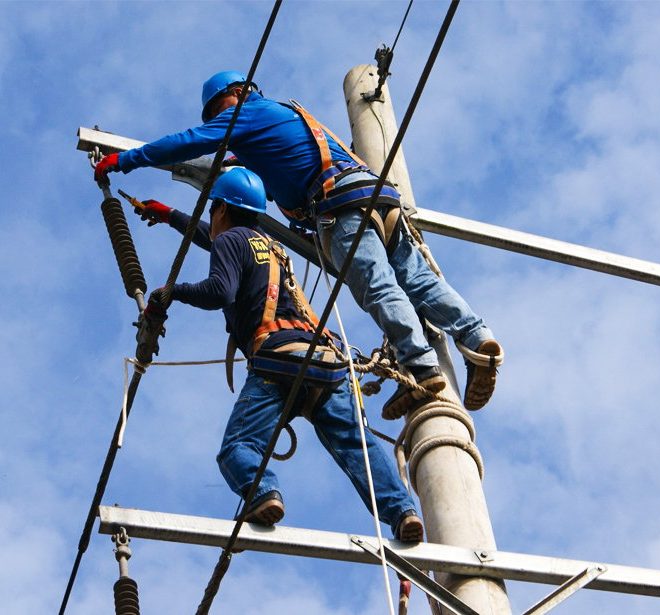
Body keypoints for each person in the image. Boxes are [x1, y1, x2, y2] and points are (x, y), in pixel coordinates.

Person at [95, 70, 503, 418]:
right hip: (379, 200)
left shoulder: (245, 113)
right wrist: (170, 214)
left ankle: (421, 368)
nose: (220, 124)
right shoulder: (285, 121)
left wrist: (126, 160)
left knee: (379, 288)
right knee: (419, 281)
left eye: (217, 111)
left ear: (235, 95)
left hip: (341, 209)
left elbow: (189, 141)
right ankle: (478, 339)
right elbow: (237, 217)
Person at [138, 167, 423, 541]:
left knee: (238, 449)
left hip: (277, 359)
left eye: (213, 211)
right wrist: (170, 215)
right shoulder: (268, 245)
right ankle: (402, 512)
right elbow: (216, 239)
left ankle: (264, 494)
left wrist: (171, 291)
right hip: (324, 361)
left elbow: (220, 290)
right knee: (358, 445)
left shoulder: (230, 242)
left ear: (221, 209)